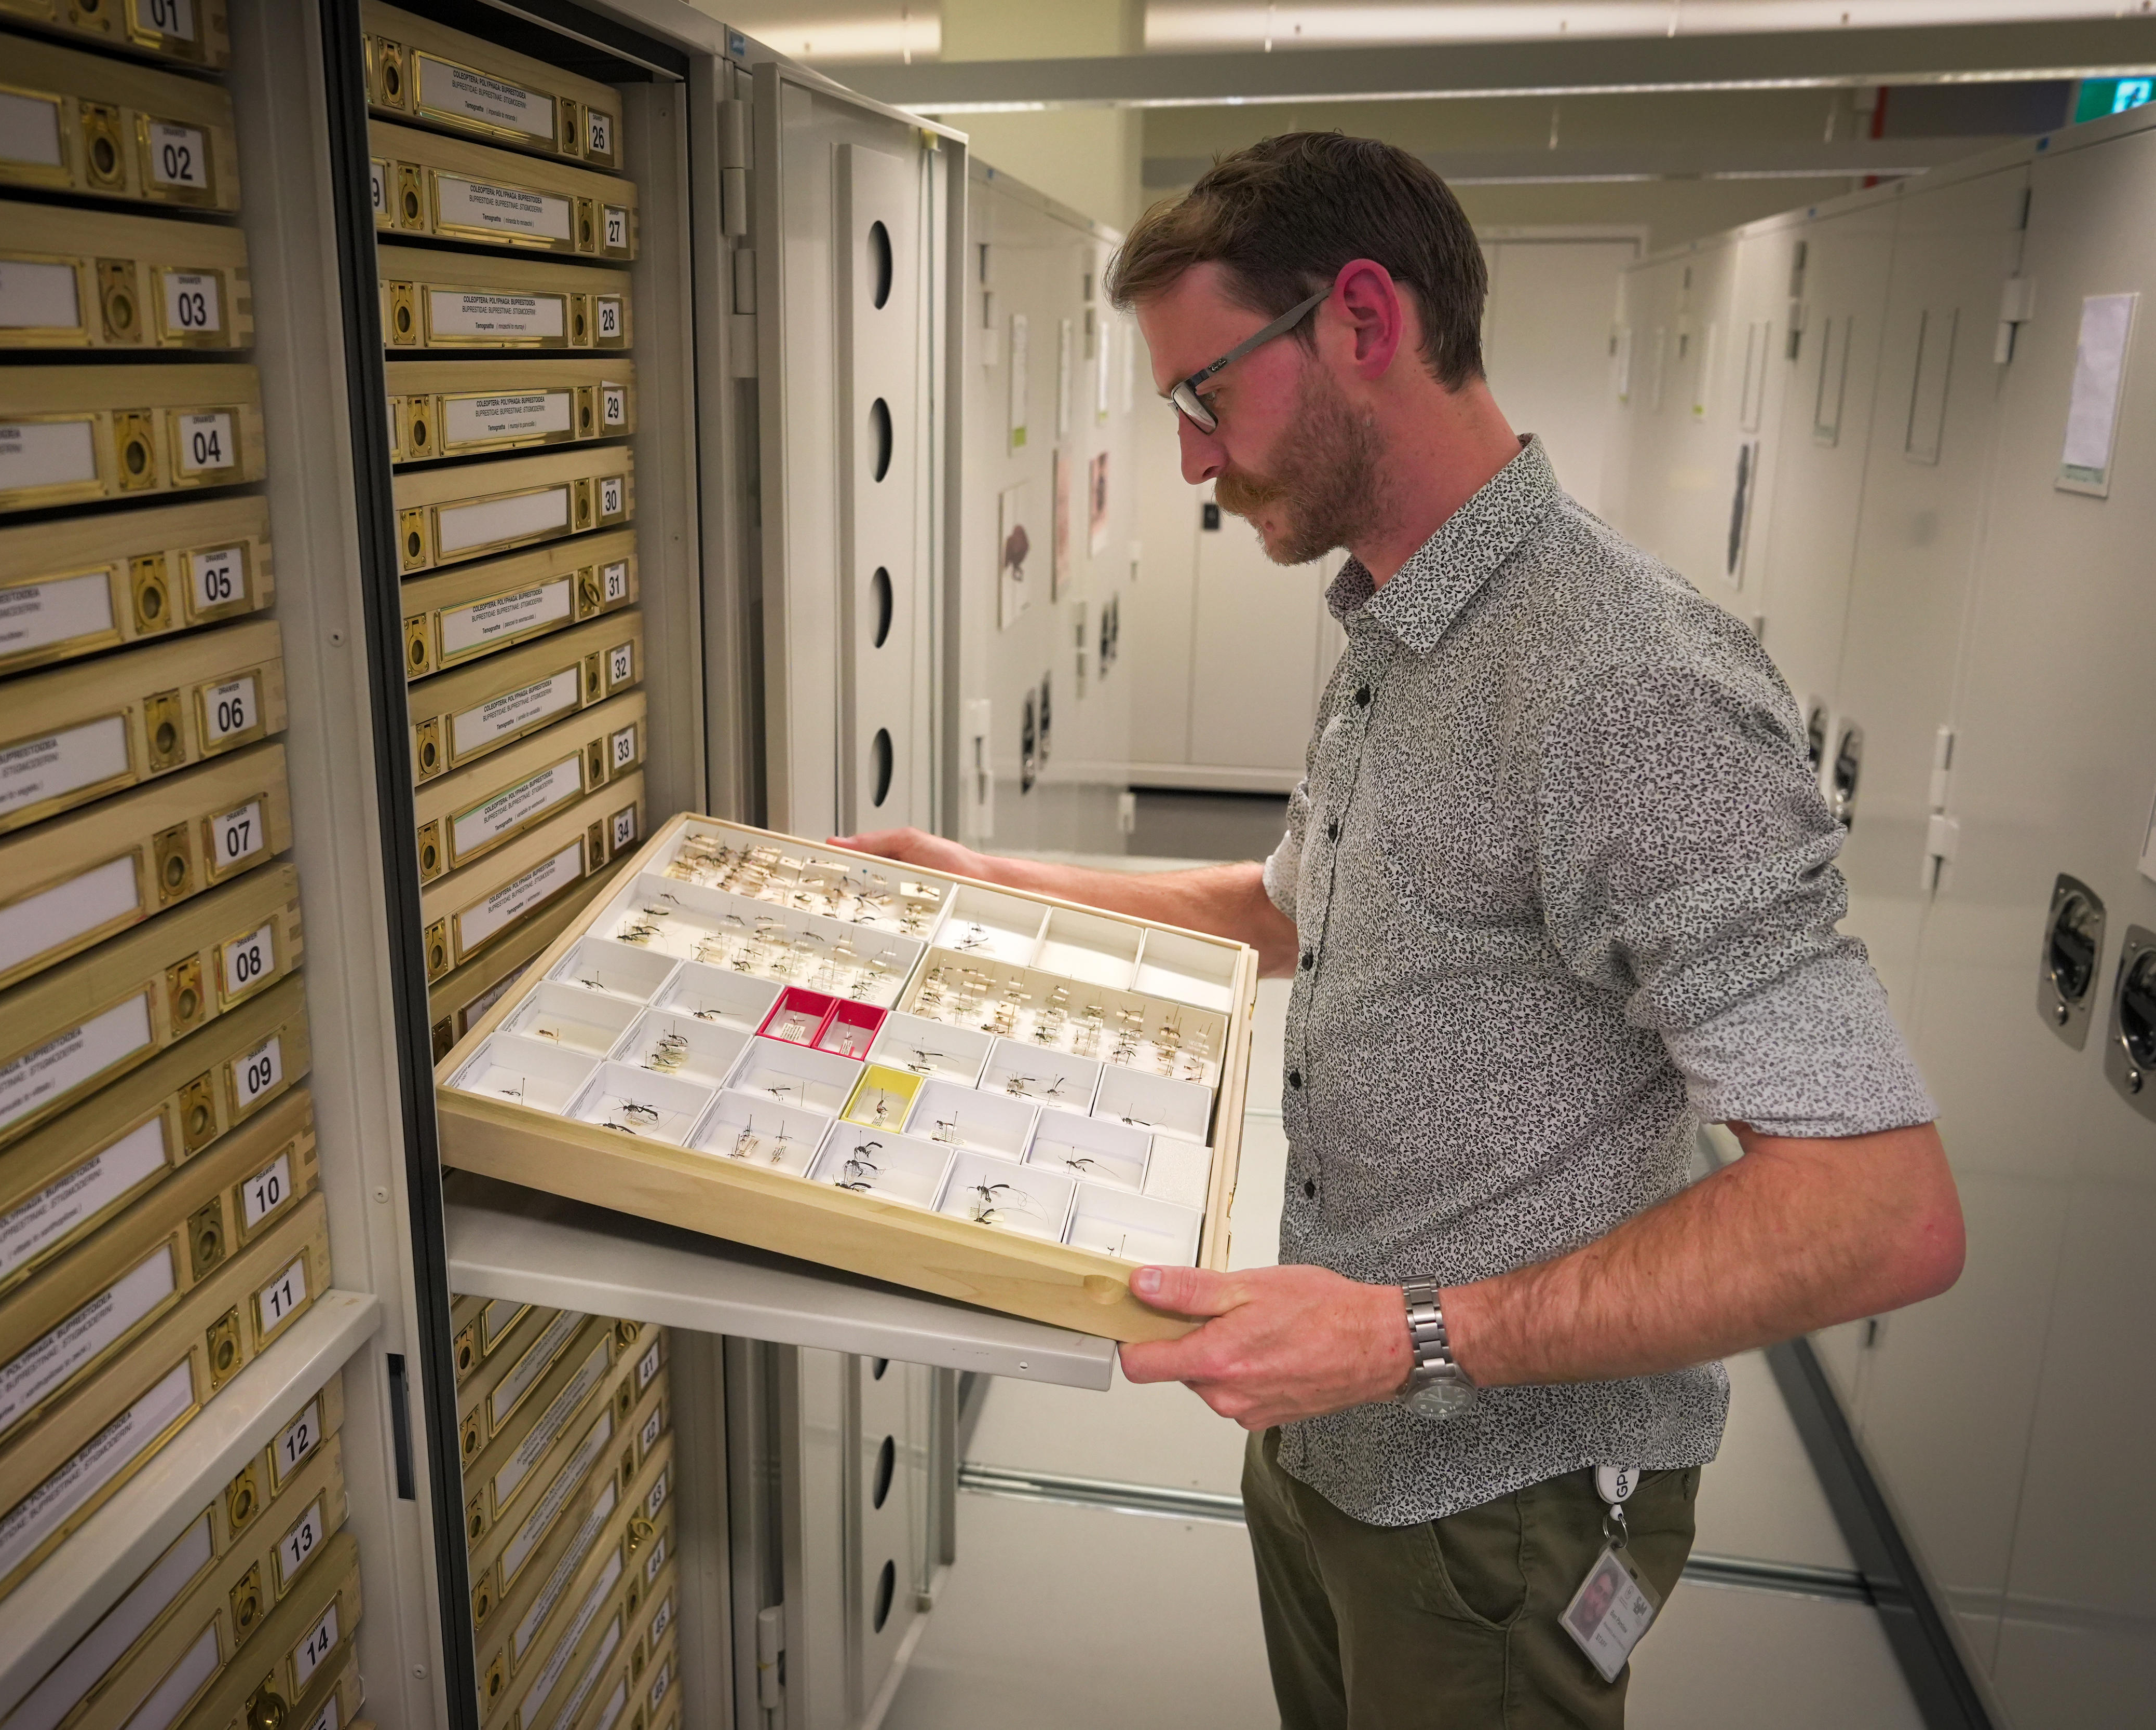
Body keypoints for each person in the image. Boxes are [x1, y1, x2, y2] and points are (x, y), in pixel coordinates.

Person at [835, 131, 1962, 1729]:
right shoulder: (1404, 628)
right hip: (1335, 1430)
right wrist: (978, 880)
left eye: (1205, 399)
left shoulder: (1620, 686)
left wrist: (1407, 1339)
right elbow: (1283, 905)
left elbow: (1880, 1211)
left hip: (1492, 1506)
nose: (1192, 464)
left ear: (1360, 321)